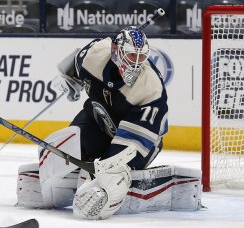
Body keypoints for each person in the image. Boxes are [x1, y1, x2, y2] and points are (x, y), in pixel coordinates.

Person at [16, 26, 202, 219]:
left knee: (112, 173)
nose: (137, 63)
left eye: (142, 57)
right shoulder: (95, 54)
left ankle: (119, 186)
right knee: (62, 146)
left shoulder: (150, 88)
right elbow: (76, 62)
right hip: (98, 120)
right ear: (116, 51)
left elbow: (133, 145)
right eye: (132, 56)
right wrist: (69, 78)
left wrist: (106, 171)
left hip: (140, 139)